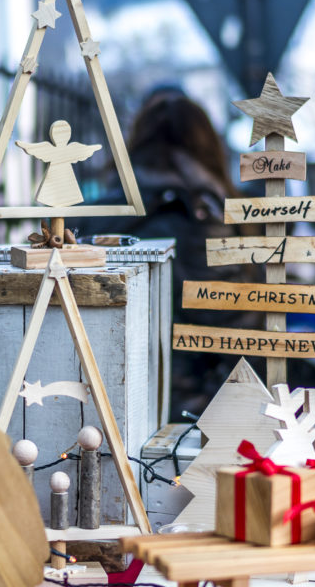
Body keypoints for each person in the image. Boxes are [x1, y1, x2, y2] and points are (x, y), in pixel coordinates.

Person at [74, 88, 259, 416]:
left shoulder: (93, 213)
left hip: (106, 397)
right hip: (200, 412)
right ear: (207, 147)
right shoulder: (209, 215)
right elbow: (237, 324)